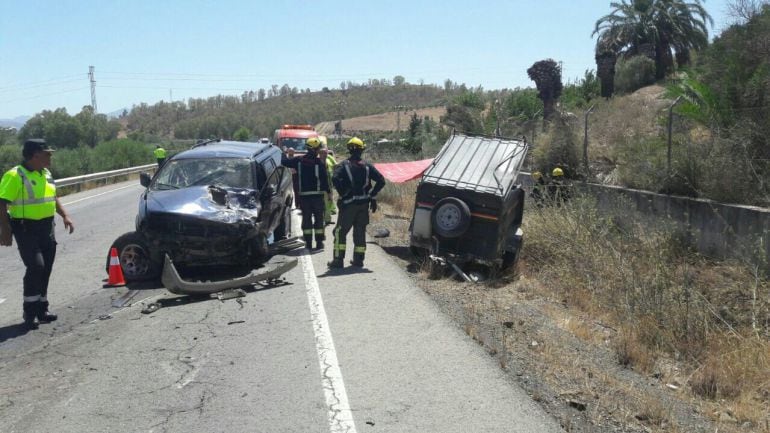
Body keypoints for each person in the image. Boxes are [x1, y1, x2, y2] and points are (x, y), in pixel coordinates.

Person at [0, 139, 75, 330]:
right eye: (47, 153)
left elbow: (53, 196)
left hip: (46, 227)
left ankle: (42, 309)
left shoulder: (46, 173)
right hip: (25, 228)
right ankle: (30, 310)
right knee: (36, 266)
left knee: (46, 267)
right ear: (35, 155)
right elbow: (2, 203)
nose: (51, 156)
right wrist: (5, 230)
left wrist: (65, 215)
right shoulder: (15, 175)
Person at [328, 137, 386, 269]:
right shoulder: (367, 166)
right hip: (363, 205)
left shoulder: (343, 165)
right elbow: (381, 181)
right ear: (361, 150)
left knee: (340, 232)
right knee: (360, 232)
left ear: (349, 150)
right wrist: (371, 195)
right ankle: (358, 260)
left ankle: (338, 260)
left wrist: (343, 193)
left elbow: (335, 178)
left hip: (349, 205)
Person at [281, 137, 330, 250]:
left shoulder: (299, 161)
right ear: (315, 150)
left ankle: (308, 243)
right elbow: (324, 180)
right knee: (319, 220)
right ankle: (319, 243)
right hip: (317, 197)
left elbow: (284, 162)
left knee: (306, 219)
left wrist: (284, 152)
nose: (318, 151)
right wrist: (328, 193)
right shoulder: (320, 163)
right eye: (318, 149)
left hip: (305, 197)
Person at [318, 137, 337, 225]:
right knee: (321, 204)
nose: (325, 154)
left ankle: (327, 219)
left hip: (329, 185)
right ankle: (321, 219)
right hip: (320, 186)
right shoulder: (316, 161)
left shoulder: (329, 158)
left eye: (326, 153)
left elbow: (336, 166)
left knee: (328, 202)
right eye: (323, 153)